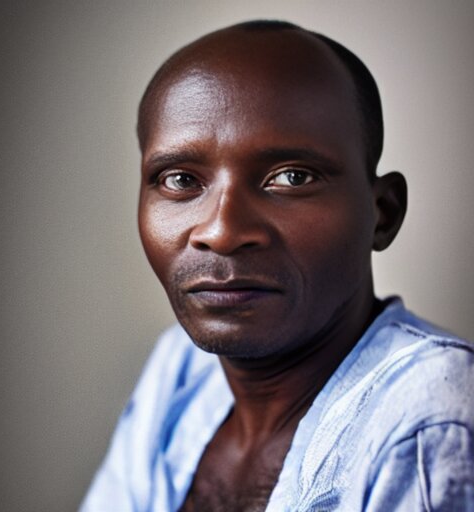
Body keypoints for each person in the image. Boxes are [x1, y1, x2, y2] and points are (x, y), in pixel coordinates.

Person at [80, 20, 474, 511]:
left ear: (383, 213)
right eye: (180, 179)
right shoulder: (180, 370)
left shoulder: (432, 416)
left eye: (291, 176)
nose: (220, 231)